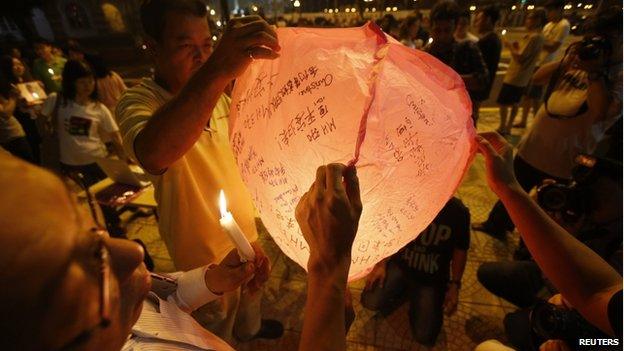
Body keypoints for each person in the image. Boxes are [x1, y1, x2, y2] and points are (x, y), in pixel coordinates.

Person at [0, 153, 362, 351]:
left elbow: (158, 302)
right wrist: (328, 272)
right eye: (93, 264)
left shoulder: (113, 306)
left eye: (92, 228)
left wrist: (213, 280)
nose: (132, 251)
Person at [115, 0, 282, 342]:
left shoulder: (221, 97)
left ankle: (251, 332)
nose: (202, 57)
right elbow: (154, 152)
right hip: (198, 255)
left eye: (207, 45)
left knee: (251, 300)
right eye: (185, 46)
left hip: (244, 233)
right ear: (152, 48)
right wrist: (218, 68)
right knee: (213, 328)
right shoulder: (139, 101)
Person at [473, 8, 622, 238]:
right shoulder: (578, 63)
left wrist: (595, 72)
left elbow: (599, 111)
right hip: (534, 145)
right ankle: (497, 225)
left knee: (545, 210)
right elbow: (538, 77)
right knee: (511, 190)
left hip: (565, 158)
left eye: (609, 40)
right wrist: (569, 60)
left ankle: (529, 246)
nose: (599, 45)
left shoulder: (617, 77)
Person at [474, 132, 622, 350]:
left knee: (507, 332)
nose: (589, 199)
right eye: (590, 190)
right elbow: (599, 292)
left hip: (578, 312)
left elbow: (610, 331)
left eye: (603, 193)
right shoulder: (583, 214)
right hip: (557, 288)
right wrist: (549, 221)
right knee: (490, 274)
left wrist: (579, 343)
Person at [361, 197, 470, 346]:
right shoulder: (410, 199)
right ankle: (406, 290)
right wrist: (381, 264)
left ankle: (412, 294)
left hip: (431, 277)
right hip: (401, 266)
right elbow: (390, 230)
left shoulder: (458, 211)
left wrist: (455, 285)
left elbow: (460, 250)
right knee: (370, 301)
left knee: (425, 335)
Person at [40, 59, 126, 185]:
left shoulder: (98, 107)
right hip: (70, 163)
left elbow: (115, 136)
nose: (88, 86)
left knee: (107, 197)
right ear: (71, 83)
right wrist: (47, 132)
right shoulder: (57, 100)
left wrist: (123, 162)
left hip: (98, 161)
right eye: (82, 82)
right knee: (86, 196)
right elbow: (41, 120)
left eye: (91, 81)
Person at [425, 0, 489, 125]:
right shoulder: (425, 54)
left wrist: (450, 80)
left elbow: (483, 79)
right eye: (438, 30)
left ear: (455, 27)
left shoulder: (467, 49)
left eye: (447, 30)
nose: (442, 36)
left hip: (461, 121)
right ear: (431, 27)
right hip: (431, 121)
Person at [514, 0, 570, 128]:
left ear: (560, 9)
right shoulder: (548, 26)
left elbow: (553, 47)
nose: (548, 14)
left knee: (536, 95)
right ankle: (524, 120)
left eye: (551, 11)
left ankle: (536, 121)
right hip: (535, 63)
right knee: (527, 94)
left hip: (545, 64)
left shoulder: (564, 25)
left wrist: (536, 41)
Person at [495, 9, 546, 135]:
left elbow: (520, 58)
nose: (527, 21)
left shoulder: (534, 37)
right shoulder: (536, 37)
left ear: (538, 20)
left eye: (530, 18)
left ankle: (504, 126)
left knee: (504, 102)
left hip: (516, 75)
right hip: (522, 77)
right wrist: (517, 47)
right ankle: (507, 126)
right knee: (515, 102)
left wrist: (509, 46)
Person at [0, 55, 43, 163]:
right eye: (14, 65)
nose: (18, 67)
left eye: (20, 64)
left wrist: (39, 91)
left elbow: (38, 102)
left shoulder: (27, 82)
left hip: (34, 121)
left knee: (37, 150)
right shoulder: (6, 87)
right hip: (21, 123)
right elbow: (7, 111)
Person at [473, 5, 502, 123]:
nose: (476, 23)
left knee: (472, 114)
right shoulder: (493, 39)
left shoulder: (488, 41)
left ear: (488, 20)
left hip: (477, 87)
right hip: (482, 86)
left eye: (479, 19)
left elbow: (477, 67)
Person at [0, 71, 34, 162]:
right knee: (26, 167)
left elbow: (7, 106)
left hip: (14, 134)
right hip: (10, 137)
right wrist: (13, 97)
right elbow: (5, 114)